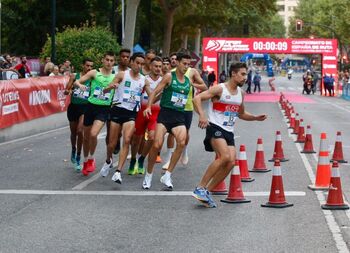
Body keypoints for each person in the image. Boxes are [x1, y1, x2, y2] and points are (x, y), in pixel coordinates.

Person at [192, 62, 267, 208]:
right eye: (243, 74)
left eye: (246, 75)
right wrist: (202, 115)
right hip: (215, 127)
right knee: (225, 156)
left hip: (229, 132)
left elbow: (241, 114)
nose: (245, 78)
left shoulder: (241, 94)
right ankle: (200, 187)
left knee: (231, 162)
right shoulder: (220, 89)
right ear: (233, 74)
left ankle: (207, 191)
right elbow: (197, 99)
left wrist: (256, 118)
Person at [142, 52, 192, 190]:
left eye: (188, 64)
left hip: (179, 117)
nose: (186, 67)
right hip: (165, 116)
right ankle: (149, 174)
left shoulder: (188, 82)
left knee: (182, 142)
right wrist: (148, 107)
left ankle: (167, 175)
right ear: (178, 63)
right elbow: (155, 92)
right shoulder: (170, 76)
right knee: (157, 145)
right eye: (184, 63)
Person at [99, 53, 151, 184]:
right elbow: (105, 90)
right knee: (111, 144)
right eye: (137, 63)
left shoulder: (143, 80)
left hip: (131, 114)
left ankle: (118, 172)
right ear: (131, 62)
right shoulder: (122, 74)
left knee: (127, 140)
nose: (139, 66)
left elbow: (152, 94)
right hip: (117, 110)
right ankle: (108, 160)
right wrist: (111, 87)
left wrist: (159, 94)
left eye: (142, 64)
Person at [73, 51, 116, 176]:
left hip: (104, 109)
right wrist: (80, 85)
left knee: (93, 134)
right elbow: (77, 82)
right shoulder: (94, 73)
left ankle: (92, 158)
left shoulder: (115, 76)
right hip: (91, 107)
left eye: (111, 61)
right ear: (103, 60)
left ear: (114, 62)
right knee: (86, 138)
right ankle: (85, 160)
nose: (109, 62)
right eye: (107, 60)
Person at [129, 56, 163, 175]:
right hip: (141, 112)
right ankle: (133, 159)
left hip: (155, 113)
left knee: (152, 137)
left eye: (160, 66)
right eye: (155, 66)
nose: (158, 68)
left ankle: (142, 158)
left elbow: (156, 99)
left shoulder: (164, 81)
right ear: (150, 66)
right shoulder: (143, 79)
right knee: (136, 140)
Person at [64, 58, 94, 171]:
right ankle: (73, 148)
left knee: (80, 131)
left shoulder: (92, 79)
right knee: (73, 133)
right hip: (74, 107)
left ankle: (78, 155)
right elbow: (66, 90)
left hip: (85, 108)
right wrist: (68, 91)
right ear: (83, 65)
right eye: (87, 65)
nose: (89, 68)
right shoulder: (74, 76)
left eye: (91, 66)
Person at [108, 48, 132, 155]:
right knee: (110, 130)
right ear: (119, 57)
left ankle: (117, 140)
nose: (125, 58)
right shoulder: (112, 69)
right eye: (123, 56)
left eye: (127, 57)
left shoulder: (131, 72)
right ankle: (110, 150)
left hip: (123, 104)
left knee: (119, 131)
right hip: (109, 102)